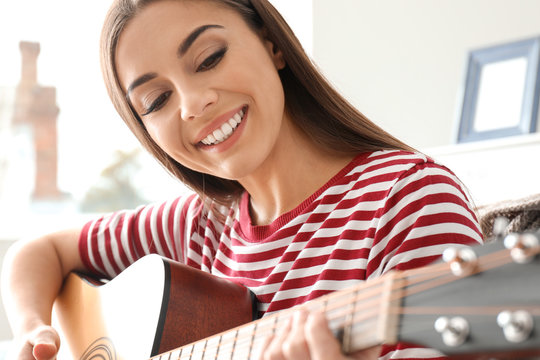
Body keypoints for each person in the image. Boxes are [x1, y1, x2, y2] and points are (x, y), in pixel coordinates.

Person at [1, 0, 483, 359]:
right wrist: (32, 332)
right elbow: (38, 250)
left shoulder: (410, 199)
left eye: (209, 58)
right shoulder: (196, 228)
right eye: (156, 101)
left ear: (271, 43)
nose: (192, 104)